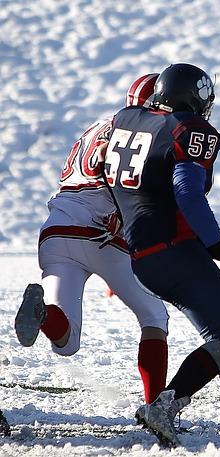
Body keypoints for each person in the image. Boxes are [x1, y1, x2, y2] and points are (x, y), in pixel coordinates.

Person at [103, 62, 220, 446]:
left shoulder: (127, 119)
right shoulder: (188, 129)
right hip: (171, 247)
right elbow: (187, 192)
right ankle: (165, 406)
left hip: (145, 251)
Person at [14, 73, 170, 404]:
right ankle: (155, 407)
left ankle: (43, 314)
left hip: (55, 230)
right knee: (154, 316)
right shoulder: (143, 132)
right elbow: (126, 185)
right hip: (101, 233)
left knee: (66, 343)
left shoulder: (97, 126)